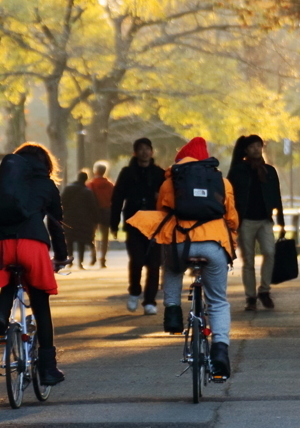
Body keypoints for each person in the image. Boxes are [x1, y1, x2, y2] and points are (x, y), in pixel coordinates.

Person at [127, 137, 239, 379]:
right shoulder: (222, 181)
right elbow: (232, 219)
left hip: (182, 245)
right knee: (218, 301)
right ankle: (220, 350)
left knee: (171, 266)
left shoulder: (171, 181)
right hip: (214, 245)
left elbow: (163, 213)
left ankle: (173, 312)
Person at [0, 142, 68, 386]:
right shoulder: (47, 185)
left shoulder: (8, 183)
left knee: (9, 285)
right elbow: (55, 225)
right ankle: (48, 368)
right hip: (31, 244)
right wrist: (61, 256)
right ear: (47, 164)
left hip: (0, 243)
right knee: (41, 303)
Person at [227, 134, 285, 312]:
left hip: (265, 220)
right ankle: (251, 297)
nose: (256, 149)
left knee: (270, 252)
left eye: (259, 146)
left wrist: (282, 222)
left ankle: (265, 290)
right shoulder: (238, 171)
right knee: (248, 260)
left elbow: (277, 196)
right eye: (252, 146)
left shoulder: (269, 170)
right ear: (246, 150)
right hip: (245, 221)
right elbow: (229, 195)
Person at [110, 137, 165, 315]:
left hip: (155, 224)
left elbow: (167, 198)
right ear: (135, 152)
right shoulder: (127, 173)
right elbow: (117, 197)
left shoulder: (159, 173)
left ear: (152, 152)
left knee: (155, 264)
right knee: (137, 260)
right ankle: (134, 291)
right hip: (133, 223)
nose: (144, 152)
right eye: (140, 149)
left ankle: (150, 301)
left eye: (147, 149)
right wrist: (113, 222)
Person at [62, 170, 100, 269]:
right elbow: (93, 207)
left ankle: (70, 260)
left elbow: (62, 203)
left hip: (69, 218)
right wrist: (95, 221)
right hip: (84, 220)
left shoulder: (68, 189)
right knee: (81, 241)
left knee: (69, 240)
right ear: (86, 179)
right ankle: (80, 262)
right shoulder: (87, 192)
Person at [86, 161, 115, 268]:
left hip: (93, 212)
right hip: (106, 211)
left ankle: (93, 254)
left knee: (91, 235)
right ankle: (103, 258)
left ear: (95, 171)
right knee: (105, 237)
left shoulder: (90, 184)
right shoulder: (110, 185)